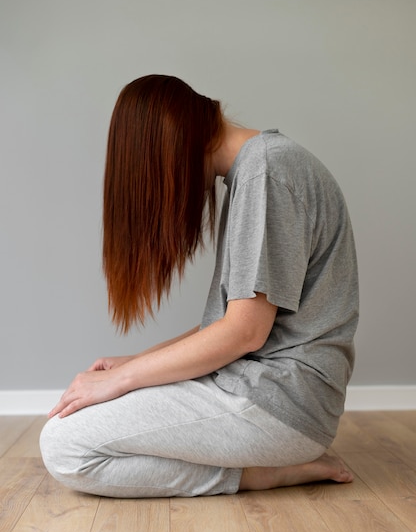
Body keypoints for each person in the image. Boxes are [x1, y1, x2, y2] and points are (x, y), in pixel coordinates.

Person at [40, 74, 358, 498]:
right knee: (73, 424)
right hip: (260, 392)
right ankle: (259, 468)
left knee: (64, 446)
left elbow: (244, 333)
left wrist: (125, 380)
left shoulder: (267, 171)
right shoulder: (255, 169)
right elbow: (232, 322)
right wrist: (137, 362)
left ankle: (260, 473)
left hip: (279, 405)